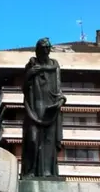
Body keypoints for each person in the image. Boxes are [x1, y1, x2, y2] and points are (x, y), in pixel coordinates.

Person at [21, 37, 66, 178]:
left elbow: (59, 90)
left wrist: (60, 101)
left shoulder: (55, 65)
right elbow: (23, 87)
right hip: (34, 109)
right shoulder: (31, 65)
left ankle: (47, 172)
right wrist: (31, 73)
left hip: (50, 110)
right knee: (33, 139)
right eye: (42, 48)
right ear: (38, 50)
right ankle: (30, 171)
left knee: (49, 142)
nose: (45, 51)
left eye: (47, 48)